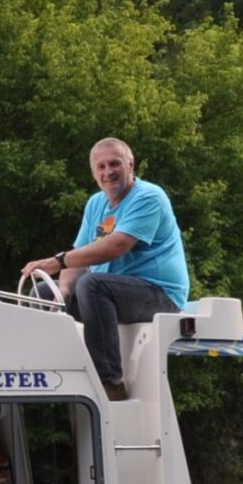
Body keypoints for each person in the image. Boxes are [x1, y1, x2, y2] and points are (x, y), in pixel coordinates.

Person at [20, 138, 188, 400]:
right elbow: (80, 255)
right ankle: (55, 370)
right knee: (44, 291)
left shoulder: (149, 196)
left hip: (160, 294)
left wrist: (58, 261)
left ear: (130, 165)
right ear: (93, 173)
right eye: (101, 166)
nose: (108, 172)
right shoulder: (96, 204)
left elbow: (118, 245)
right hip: (113, 293)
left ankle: (110, 382)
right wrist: (63, 289)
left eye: (114, 164)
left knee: (93, 284)